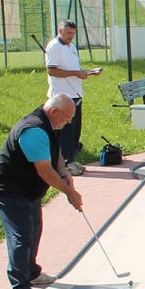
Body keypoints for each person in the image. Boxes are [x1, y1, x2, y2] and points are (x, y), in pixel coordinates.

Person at [0, 94, 84, 289]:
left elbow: (55, 152)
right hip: (10, 188)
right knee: (21, 235)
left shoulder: (48, 124)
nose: (68, 122)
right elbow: (45, 172)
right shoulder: (33, 130)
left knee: (34, 229)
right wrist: (69, 193)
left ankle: (31, 272)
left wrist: (64, 171)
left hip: (27, 189)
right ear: (54, 111)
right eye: (67, 117)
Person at [44, 20, 101, 176]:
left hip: (76, 94)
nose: (71, 37)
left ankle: (71, 159)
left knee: (75, 130)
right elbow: (52, 71)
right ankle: (64, 164)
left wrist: (87, 72)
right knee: (66, 131)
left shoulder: (72, 47)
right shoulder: (54, 46)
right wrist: (76, 73)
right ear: (60, 30)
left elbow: (74, 69)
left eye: (73, 34)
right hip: (62, 97)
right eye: (68, 33)